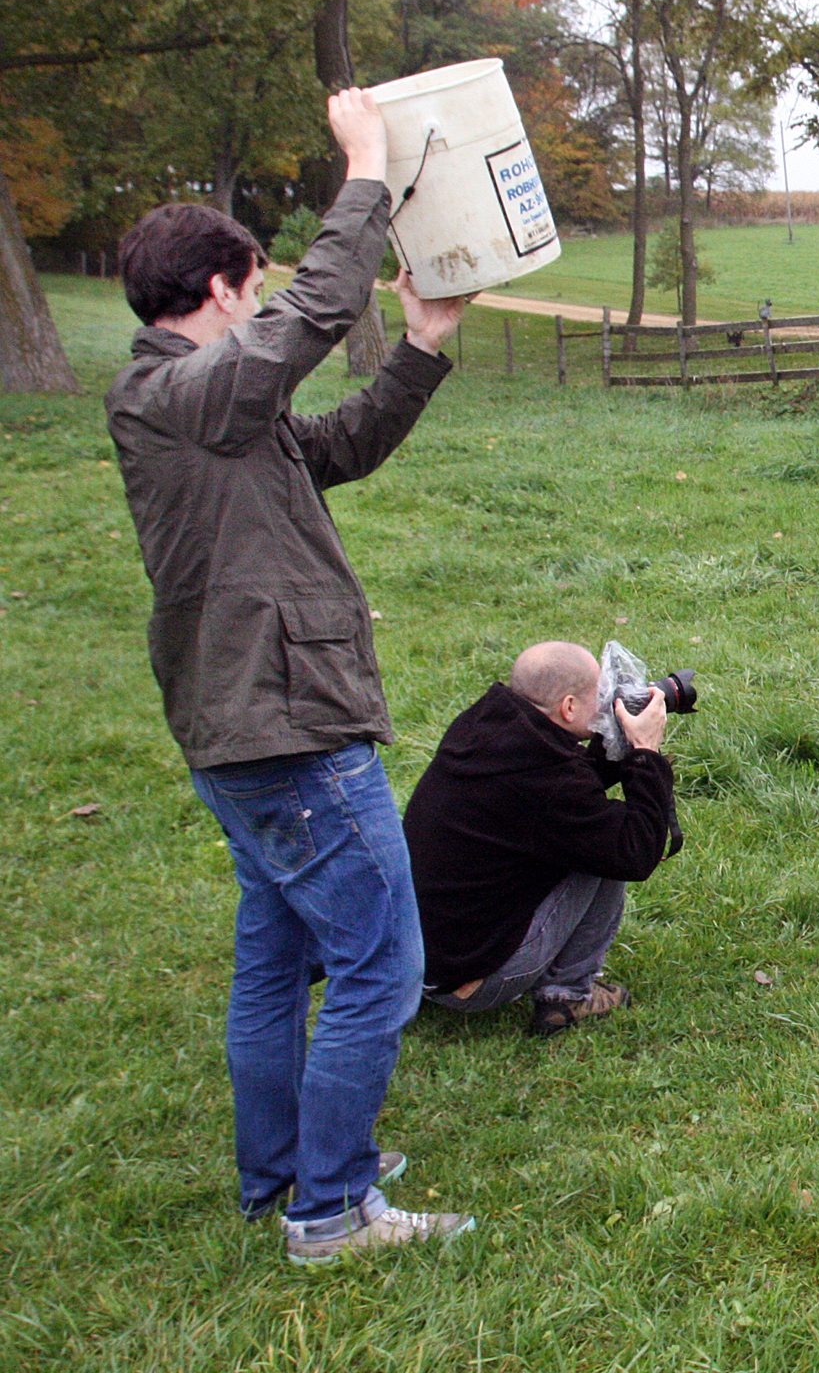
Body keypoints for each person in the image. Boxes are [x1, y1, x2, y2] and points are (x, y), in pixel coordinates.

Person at [105, 90, 476, 1264]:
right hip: (287, 728)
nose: (261, 302)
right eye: (252, 287)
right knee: (381, 963)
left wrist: (423, 343)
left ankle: (284, 1173)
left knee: (276, 960)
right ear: (223, 291)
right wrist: (365, 168)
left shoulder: (210, 410)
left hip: (245, 728)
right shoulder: (182, 393)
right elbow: (316, 309)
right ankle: (332, 1209)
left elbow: (342, 444)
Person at [402, 642, 680, 1039]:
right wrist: (645, 752)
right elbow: (633, 853)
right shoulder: (547, 783)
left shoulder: (486, 727)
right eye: (600, 695)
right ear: (568, 708)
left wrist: (613, 738)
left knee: (585, 836)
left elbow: (568, 788)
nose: (606, 703)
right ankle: (567, 995)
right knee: (605, 851)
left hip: (412, 960)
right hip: (470, 981)